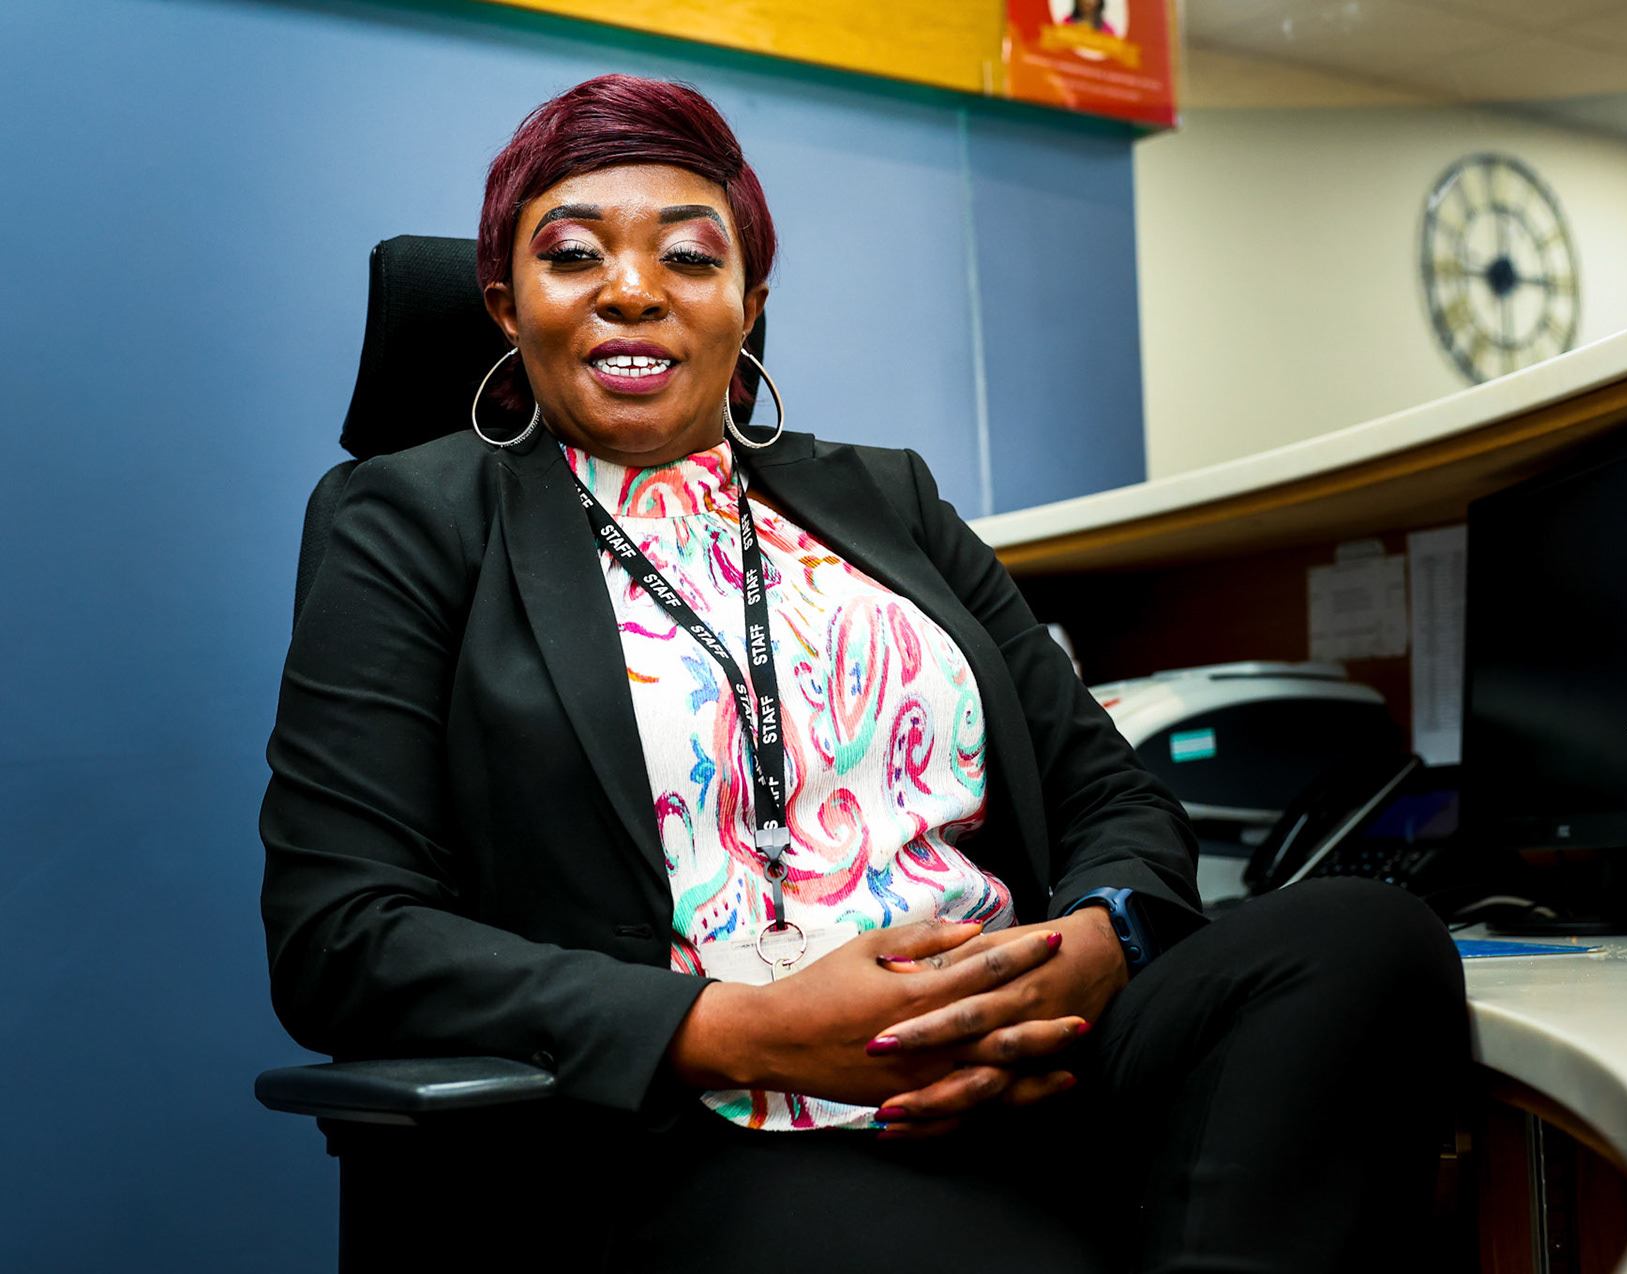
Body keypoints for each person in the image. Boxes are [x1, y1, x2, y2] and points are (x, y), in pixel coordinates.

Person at [261, 74, 1465, 1273]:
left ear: (749, 304)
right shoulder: (412, 521)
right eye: (574, 255)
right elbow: (342, 932)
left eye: (689, 256)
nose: (632, 289)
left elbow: (1111, 792)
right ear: (505, 308)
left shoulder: (885, 496)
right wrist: (740, 1027)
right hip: (709, 1121)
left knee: (1368, 940)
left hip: (1020, 1051)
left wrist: (1083, 955)